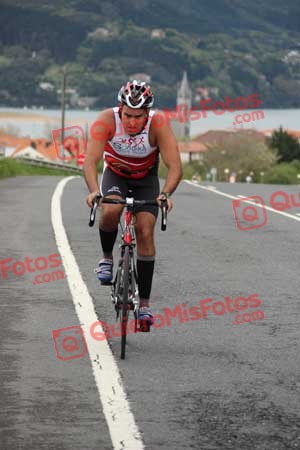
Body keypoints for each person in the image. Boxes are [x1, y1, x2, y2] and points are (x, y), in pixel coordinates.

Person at [83, 80, 182, 326]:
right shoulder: (107, 119)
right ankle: (106, 258)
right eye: (127, 115)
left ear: (147, 113)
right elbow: (91, 160)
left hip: (145, 178)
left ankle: (145, 305)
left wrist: (166, 194)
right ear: (120, 109)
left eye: (138, 116)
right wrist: (94, 191)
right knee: (111, 208)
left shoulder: (158, 124)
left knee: (145, 230)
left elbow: (175, 166)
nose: (132, 122)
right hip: (115, 174)